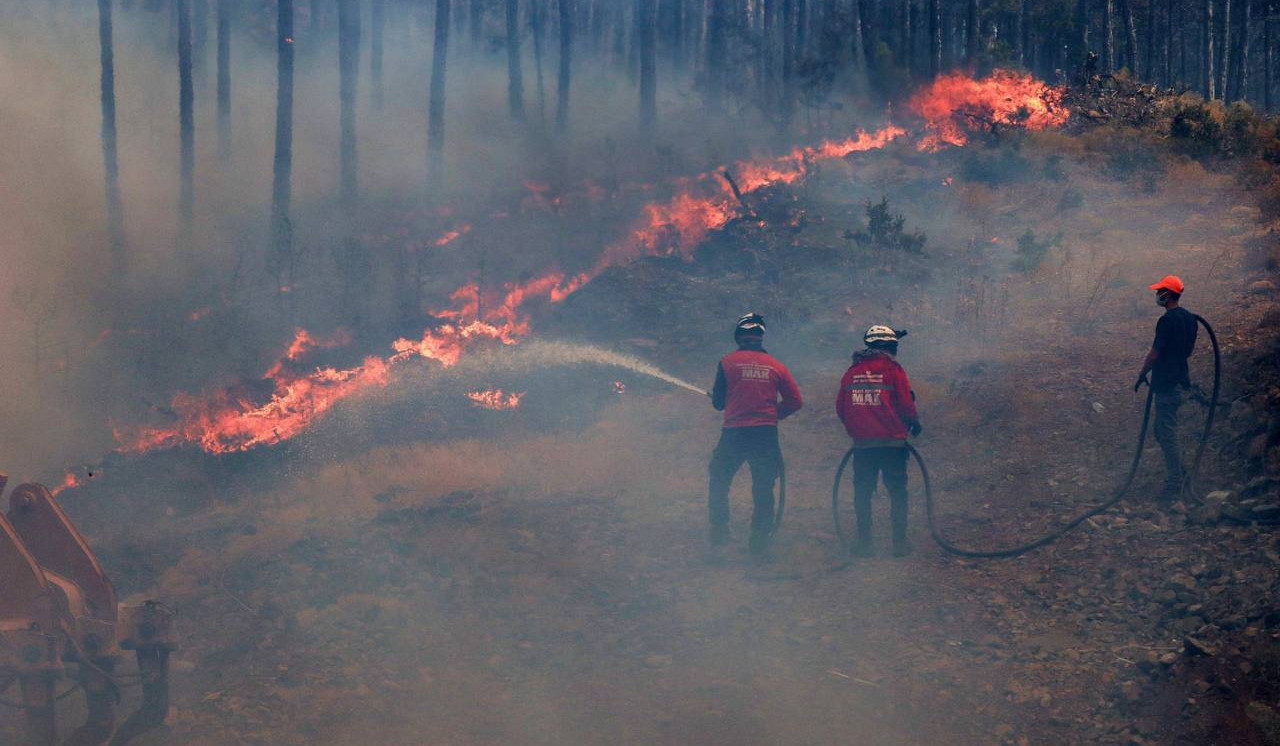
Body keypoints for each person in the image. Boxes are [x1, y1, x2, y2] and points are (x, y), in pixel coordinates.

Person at [708, 312, 803, 555]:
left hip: (734, 434)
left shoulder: (727, 362)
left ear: (739, 336)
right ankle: (759, 541)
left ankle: (719, 532)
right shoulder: (777, 366)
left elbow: (718, 403)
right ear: (761, 337)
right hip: (764, 435)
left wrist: (726, 398)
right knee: (763, 486)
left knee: (719, 480)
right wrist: (772, 415)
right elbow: (795, 401)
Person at [836, 325, 922, 558]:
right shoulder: (893, 369)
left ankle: (864, 545)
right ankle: (899, 545)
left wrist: (858, 429)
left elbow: (842, 409)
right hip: (892, 444)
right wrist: (913, 422)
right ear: (888, 346)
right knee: (897, 492)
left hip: (863, 446)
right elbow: (905, 403)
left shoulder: (852, 372)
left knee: (862, 493)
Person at [1135, 275, 1198, 501]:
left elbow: (1154, 354)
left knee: (1167, 433)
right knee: (1161, 431)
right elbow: (1188, 351)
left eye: (1160, 291)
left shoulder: (1167, 321)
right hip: (1179, 380)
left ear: (1169, 294)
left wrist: (1142, 374)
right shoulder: (1191, 319)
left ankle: (1175, 483)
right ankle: (1181, 472)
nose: (1157, 295)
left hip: (1166, 385)